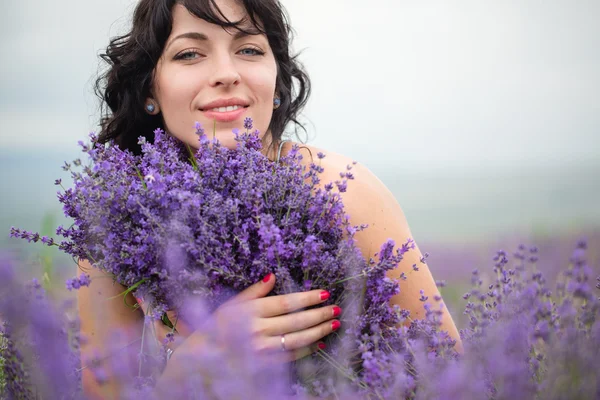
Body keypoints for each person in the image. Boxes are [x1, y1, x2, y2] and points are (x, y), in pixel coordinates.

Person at [77, 0, 462, 397]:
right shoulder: (120, 219)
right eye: (190, 53)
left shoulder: (342, 193)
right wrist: (189, 371)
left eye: (249, 49)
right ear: (149, 90)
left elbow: (451, 376)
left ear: (276, 81)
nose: (226, 74)